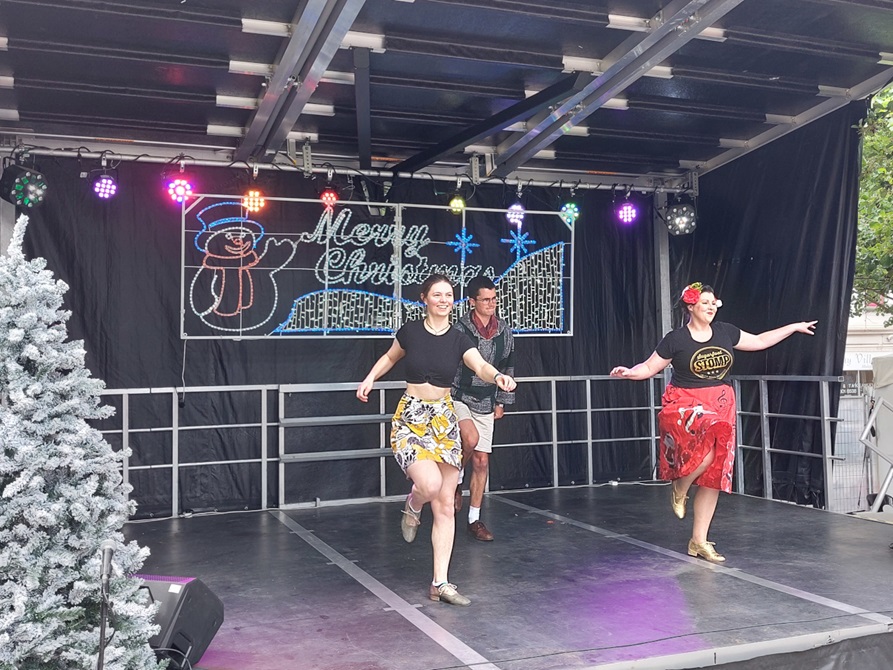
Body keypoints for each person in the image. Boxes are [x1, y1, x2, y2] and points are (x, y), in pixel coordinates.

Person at [610, 282, 816, 563]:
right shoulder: (676, 339)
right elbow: (648, 367)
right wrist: (629, 373)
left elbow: (758, 341)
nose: (710, 306)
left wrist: (792, 327)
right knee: (706, 453)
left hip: (720, 402)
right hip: (686, 404)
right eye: (704, 302)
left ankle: (698, 541)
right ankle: (680, 487)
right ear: (690, 306)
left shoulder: (725, 332)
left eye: (713, 302)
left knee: (715, 472)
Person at [357, 274, 517, 606]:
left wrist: (499, 376)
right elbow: (390, 357)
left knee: (446, 505)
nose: (444, 299)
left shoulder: (459, 339)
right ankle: (412, 506)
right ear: (425, 299)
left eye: (448, 295)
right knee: (428, 486)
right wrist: (371, 378)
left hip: (443, 419)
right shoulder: (411, 332)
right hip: (412, 418)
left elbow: (481, 365)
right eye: (437, 294)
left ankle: (440, 583)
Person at [451, 275, 515, 542]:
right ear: (472, 301)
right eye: (486, 299)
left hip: (487, 399)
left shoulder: (504, 331)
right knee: (470, 438)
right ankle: (455, 482)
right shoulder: (459, 329)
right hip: (459, 395)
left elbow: (508, 366)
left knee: (482, 459)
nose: (492, 304)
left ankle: (474, 519)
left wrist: (501, 401)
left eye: (494, 298)